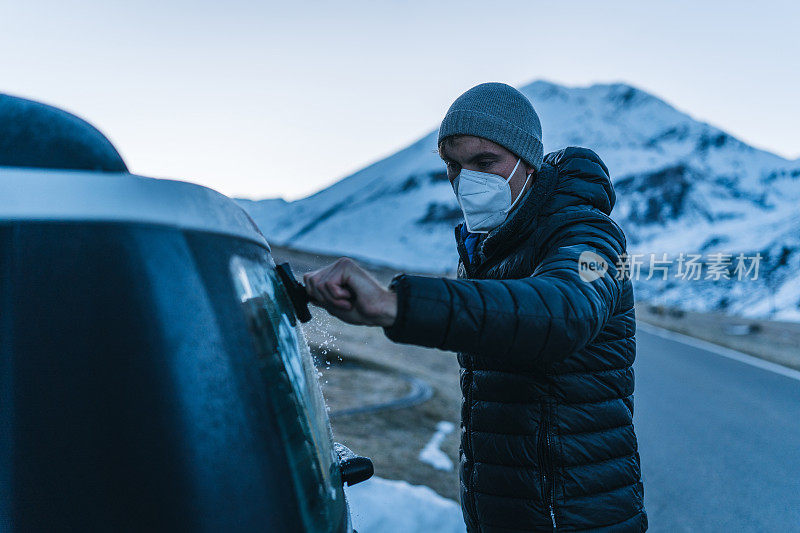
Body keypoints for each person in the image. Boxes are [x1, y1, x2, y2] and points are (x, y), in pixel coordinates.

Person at [304, 82, 647, 532]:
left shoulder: (588, 235)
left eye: (485, 162)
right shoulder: (490, 248)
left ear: (529, 161)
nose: (466, 181)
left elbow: (567, 311)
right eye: (453, 165)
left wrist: (394, 305)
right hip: (508, 512)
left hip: (573, 517)